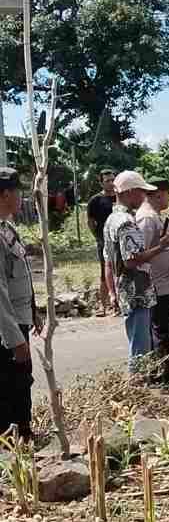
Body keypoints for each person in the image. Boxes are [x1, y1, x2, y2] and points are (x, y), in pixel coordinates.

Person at [103, 171, 169, 374]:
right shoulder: (126, 221)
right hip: (137, 290)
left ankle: (139, 382)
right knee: (140, 346)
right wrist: (161, 246)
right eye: (142, 192)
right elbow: (132, 260)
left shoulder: (112, 219)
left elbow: (108, 261)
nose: (144, 197)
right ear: (130, 192)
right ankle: (137, 384)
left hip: (127, 288)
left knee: (139, 340)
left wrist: (112, 291)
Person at [0, 168, 41, 439]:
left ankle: (24, 435)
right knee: (9, 386)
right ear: (5, 194)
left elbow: (21, 274)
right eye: (18, 192)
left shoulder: (7, 228)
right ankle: (11, 444)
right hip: (7, 329)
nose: (21, 197)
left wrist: (34, 310)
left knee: (22, 380)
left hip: (20, 319)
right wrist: (14, 339)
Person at [136, 177, 169, 383]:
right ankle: (163, 375)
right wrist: (163, 245)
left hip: (163, 284)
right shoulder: (147, 218)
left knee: (164, 328)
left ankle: (166, 372)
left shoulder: (154, 216)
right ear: (159, 194)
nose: (168, 198)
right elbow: (140, 255)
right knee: (161, 330)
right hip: (156, 285)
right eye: (168, 194)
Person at [88, 169, 116, 317]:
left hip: (121, 242)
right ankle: (103, 306)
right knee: (105, 273)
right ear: (101, 183)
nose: (111, 183)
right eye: (107, 181)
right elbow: (90, 222)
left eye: (113, 180)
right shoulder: (95, 200)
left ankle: (118, 304)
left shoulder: (120, 196)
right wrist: (98, 238)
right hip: (104, 242)